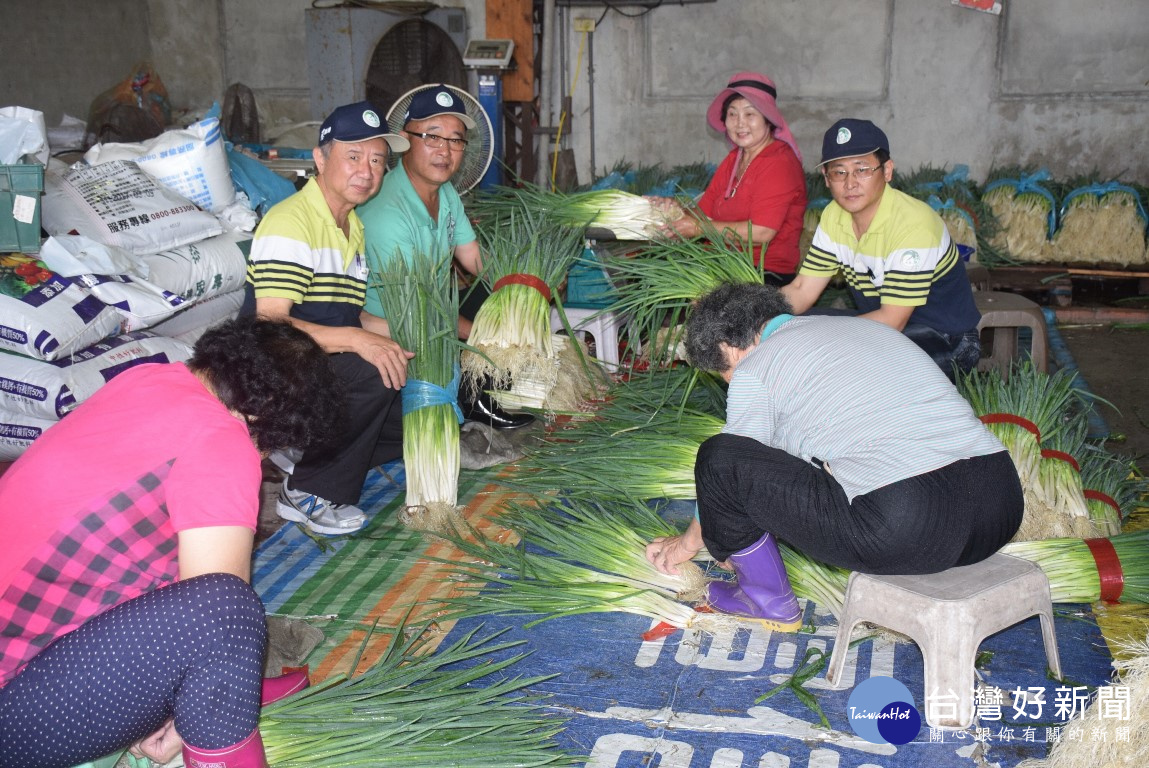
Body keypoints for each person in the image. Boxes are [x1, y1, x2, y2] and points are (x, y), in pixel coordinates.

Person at [0, 317, 341, 768]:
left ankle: (216, 706)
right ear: (268, 420)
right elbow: (216, 609)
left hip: (29, 665)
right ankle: (215, 747)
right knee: (226, 611)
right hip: (15, 715)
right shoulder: (221, 441)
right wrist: (188, 719)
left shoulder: (147, 380)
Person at [644, 282, 1022, 630]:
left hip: (909, 526)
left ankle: (766, 600)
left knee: (718, 456)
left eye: (722, 371)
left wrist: (691, 542)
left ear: (728, 346)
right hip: (1000, 505)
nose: (728, 381)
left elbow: (732, 468)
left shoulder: (756, 368)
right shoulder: (867, 330)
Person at [241, 100, 416, 534]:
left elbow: (348, 314)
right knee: (373, 372)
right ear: (320, 158)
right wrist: (360, 342)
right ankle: (304, 491)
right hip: (272, 367)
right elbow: (270, 326)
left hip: (315, 361)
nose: (367, 170)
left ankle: (303, 446)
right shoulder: (292, 222)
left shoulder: (350, 226)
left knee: (409, 397)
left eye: (378, 160)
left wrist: (409, 335)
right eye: (353, 156)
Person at [358, 84, 533, 430]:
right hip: (396, 324)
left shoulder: (446, 193)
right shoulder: (387, 212)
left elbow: (473, 257)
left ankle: (482, 393)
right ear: (405, 139)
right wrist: (484, 336)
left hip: (432, 309)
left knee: (497, 298)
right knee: (473, 329)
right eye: (432, 137)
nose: (445, 151)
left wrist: (522, 294)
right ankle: (472, 401)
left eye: (455, 140)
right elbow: (418, 309)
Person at [781, 118, 982, 380]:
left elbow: (892, 320)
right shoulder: (833, 216)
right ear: (826, 179)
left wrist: (823, 335)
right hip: (883, 328)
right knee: (788, 328)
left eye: (862, 169)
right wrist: (757, 315)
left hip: (946, 339)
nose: (850, 183)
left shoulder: (913, 224)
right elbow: (801, 290)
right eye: (838, 172)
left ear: (887, 171)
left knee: (834, 362)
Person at [659, 72, 808, 286]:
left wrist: (698, 228)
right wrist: (671, 210)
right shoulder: (735, 158)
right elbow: (703, 212)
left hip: (762, 275)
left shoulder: (779, 163)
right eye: (732, 114)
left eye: (750, 114)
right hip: (722, 266)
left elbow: (762, 232)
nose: (740, 124)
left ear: (768, 120)